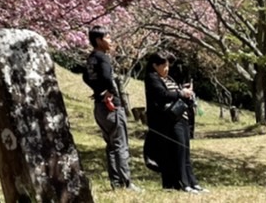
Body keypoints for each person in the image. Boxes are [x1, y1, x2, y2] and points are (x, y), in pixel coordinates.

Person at [85, 27, 139, 190]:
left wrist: (97, 91)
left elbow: (86, 77)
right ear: (99, 40)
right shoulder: (103, 57)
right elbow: (108, 77)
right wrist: (110, 92)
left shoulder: (91, 58)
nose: (111, 41)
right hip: (111, 107)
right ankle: (126, 182)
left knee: (111, 145)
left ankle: (116, 182)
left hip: (99, 108)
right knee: (120, 145)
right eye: (108, 37)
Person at [143, 51, 203, 192]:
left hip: (180, 118)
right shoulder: (152, 78)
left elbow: (173, 94)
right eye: (163, 65)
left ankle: (191, 182)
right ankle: (183, 184)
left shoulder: (167, 78)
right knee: (177, 152)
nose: (167, 68)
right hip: (167, 121)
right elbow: (162, 95)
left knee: (185, 151)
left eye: (168, 65)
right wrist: (181, 93)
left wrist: (184, 91)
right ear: (155, 65)